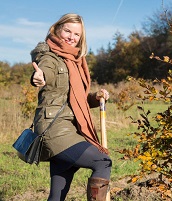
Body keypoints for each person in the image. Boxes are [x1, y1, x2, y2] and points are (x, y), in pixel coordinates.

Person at [30, 13, 112, 201]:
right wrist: (39, 77)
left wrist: (96, 97)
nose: (71, 37)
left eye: (77, 35)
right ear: (57, 29)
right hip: (55, 130)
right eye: (67, 31)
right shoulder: (49, 56)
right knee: (103, 161)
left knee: (57, 196)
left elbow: (75, 99)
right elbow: (44, 72)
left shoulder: (75, 60)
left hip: (70, 129)